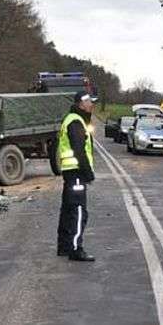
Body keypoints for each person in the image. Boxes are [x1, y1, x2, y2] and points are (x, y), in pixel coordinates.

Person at [56, 91, 97, 262]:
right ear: (80, 103)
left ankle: (64, 246)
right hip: (77, 172)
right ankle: (75, 248)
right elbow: (79, 150)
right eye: (89, 102)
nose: (91, 105)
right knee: (79, 211)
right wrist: (88, 173)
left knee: (67, 209)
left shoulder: (73, 119)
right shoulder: (75, 121)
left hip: (70, 171)